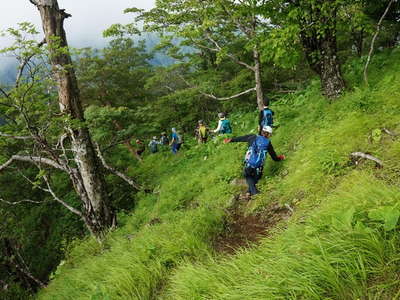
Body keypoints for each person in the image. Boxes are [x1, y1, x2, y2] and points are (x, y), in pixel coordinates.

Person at [224, 125, 285, 197]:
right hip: (259, 168)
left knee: (248, 176)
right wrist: (280, 158)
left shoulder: (252, 137)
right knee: (255, 179)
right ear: (269, 134)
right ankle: (249, 192)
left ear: (262, 132)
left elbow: (241, 138)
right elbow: (274, 157)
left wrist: (231, 140)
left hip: (249, 164)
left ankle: (255, 193)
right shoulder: (268, 143)